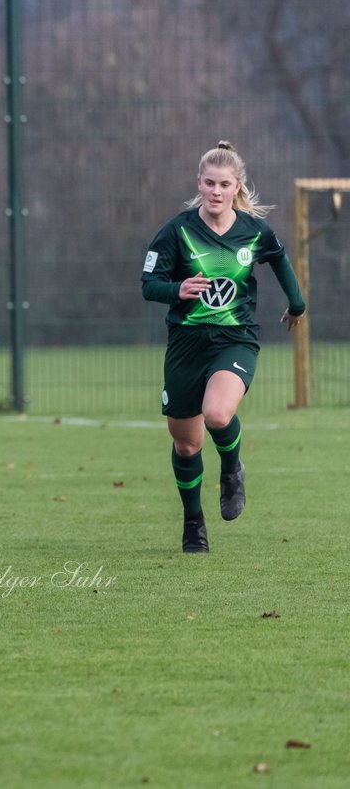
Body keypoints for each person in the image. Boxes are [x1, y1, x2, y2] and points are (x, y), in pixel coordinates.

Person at [141, 141, 306, 553]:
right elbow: (148, 286)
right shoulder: (176, 231)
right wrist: (177, 288)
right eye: (209, 183)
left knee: (217, 413)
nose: (216, 191)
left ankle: (232, 469)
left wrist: (297, 304)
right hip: (185, 345)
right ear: (199, 184)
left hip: (235, 339)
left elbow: (280, 260)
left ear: (237, 187)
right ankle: (193, 523)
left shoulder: (254, 231)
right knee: (186, 443)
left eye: (224, 184)